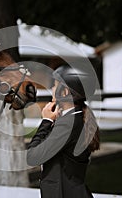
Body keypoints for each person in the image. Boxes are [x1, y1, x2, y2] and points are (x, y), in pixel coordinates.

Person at [27, 64, 100, 198]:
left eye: (54, 85)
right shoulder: (73, 119)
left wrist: (46, 121)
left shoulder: (69, 124)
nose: (52, 89)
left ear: (65, 92)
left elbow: (33, 156)